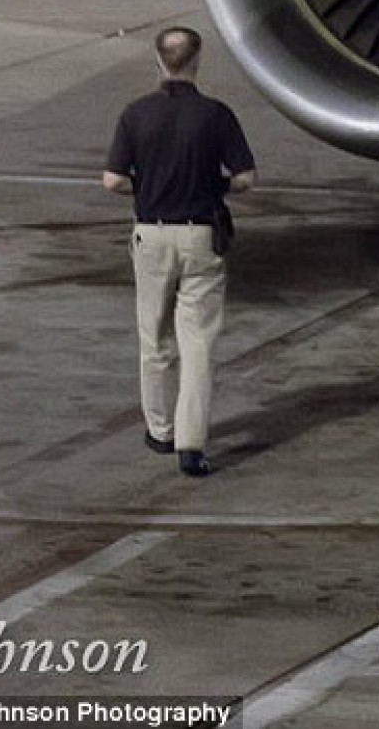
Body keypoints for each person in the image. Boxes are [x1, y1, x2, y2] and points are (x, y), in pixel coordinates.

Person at [101, 26, 255, 478]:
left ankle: (160, 430)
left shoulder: (135, 114)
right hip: (200, 235)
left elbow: (112, 180)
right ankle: (192, 445)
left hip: (151, 234)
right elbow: (246, 177)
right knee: (198, 344)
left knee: (155, 340)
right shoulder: (216, 115)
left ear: (158, 60)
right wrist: (214, 185)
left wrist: (145, 186)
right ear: (197, 60)